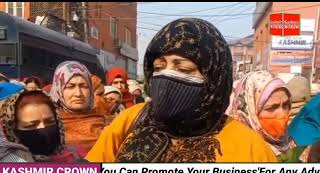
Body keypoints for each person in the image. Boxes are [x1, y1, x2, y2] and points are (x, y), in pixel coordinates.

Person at [86, 18, 276, 162]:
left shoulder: (250, 148)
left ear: (214, 78)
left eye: (183, 69)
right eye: (159, 68)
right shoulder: (130, 120)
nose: (166, 77)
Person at [0, 90, 86, 162]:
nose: (43, 129)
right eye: (31, 125)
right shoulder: (9, 162)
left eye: (50, 122)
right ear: (12, 130)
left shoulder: (76, 155)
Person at [230, 71, 293, 158]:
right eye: (271, 108)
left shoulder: (288, 142)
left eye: (286, 105)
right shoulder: (236, 152)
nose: (282, 114)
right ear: (251, 111)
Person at [50, 61, 107, 152]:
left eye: (84, 86)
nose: (78, 94)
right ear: (59, 90)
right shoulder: (49, 124)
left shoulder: (106, 122)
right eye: (70, 87)